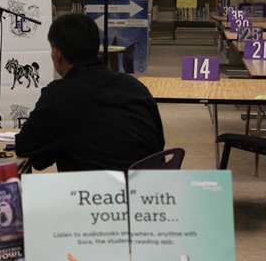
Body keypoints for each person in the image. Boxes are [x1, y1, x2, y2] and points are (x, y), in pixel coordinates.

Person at [15, 13, 165, 172]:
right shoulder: (136, 87)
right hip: (150, 185)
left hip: (93, 187)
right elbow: (158, 144)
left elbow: (25, 147)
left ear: (57, 53)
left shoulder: (59, 95)